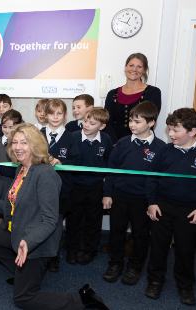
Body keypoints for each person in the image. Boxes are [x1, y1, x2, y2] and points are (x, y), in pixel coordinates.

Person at [0, 123, 109, 310]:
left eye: (24, 143)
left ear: (35, 145)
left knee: (23, 299)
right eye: (15, 142)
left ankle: (82, 298)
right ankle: (23, 274)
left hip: (37, 241)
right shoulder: (22, 168)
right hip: (18, 229)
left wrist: (28, 241)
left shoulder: (45, 174)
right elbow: (18, 207)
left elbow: (50, 220)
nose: (18, 147)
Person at [145, 108, 196, 306]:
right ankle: (155, 280)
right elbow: (152, 178)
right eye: (169, 129)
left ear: (192, 131)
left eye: (175, 130)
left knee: (185, 249)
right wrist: (152, 203)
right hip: (162, 206)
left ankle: (185, 285)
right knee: (158, 246)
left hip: (190, 210)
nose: (170, 134)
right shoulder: (164, 150)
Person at [102, 101, 166, 285]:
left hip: (144, 200)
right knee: (116, 231)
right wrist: (107, 193)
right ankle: (115, 263)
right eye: (131, 120)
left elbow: (160, 179)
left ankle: (134, 267)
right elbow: (112, 169)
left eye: (137, 121)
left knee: (140, 234)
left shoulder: (160, 148)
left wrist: (153, 201)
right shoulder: (122, 143)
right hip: (120, 195)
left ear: (151, 122)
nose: (132, 125)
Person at [67, 108, 112, 267]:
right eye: (85, 120)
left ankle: (90, 251)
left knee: (93, 220)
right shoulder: (73, 137)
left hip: (96, 187)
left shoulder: (106, 140)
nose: (86, 125)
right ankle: (71, 250)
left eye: (92, 123)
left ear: (102, 126)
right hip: (76, 186)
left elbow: (107, 161)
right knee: (74, 219)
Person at [40, 99, 81, 272]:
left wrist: (61, 162)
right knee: (38, 219)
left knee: (56, 222)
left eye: (59, 113)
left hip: (61, 188)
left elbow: (76, 161)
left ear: (65, 115)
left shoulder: (71, 137)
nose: (55, 117)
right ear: (45, 115)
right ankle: (38, 253)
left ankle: (53, 255)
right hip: (39, 186)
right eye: (51, 113)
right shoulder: (38, 134)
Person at [104, 53, 161, 143]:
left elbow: (149, 120)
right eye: (131, 65)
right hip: (115, 144)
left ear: (144, 70)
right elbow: (107, 122)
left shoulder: (153, 92)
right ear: (125, 67)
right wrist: (115, 144)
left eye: (139, 67)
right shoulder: (112, 94)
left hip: (142, 143)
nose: (134, 69)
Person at [0, 110, 23, 224]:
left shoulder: (21, 145)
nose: (7, 130)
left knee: (16, 216)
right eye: (4, 126)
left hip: (14, 183)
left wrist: (2, 169)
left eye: (11, 127)